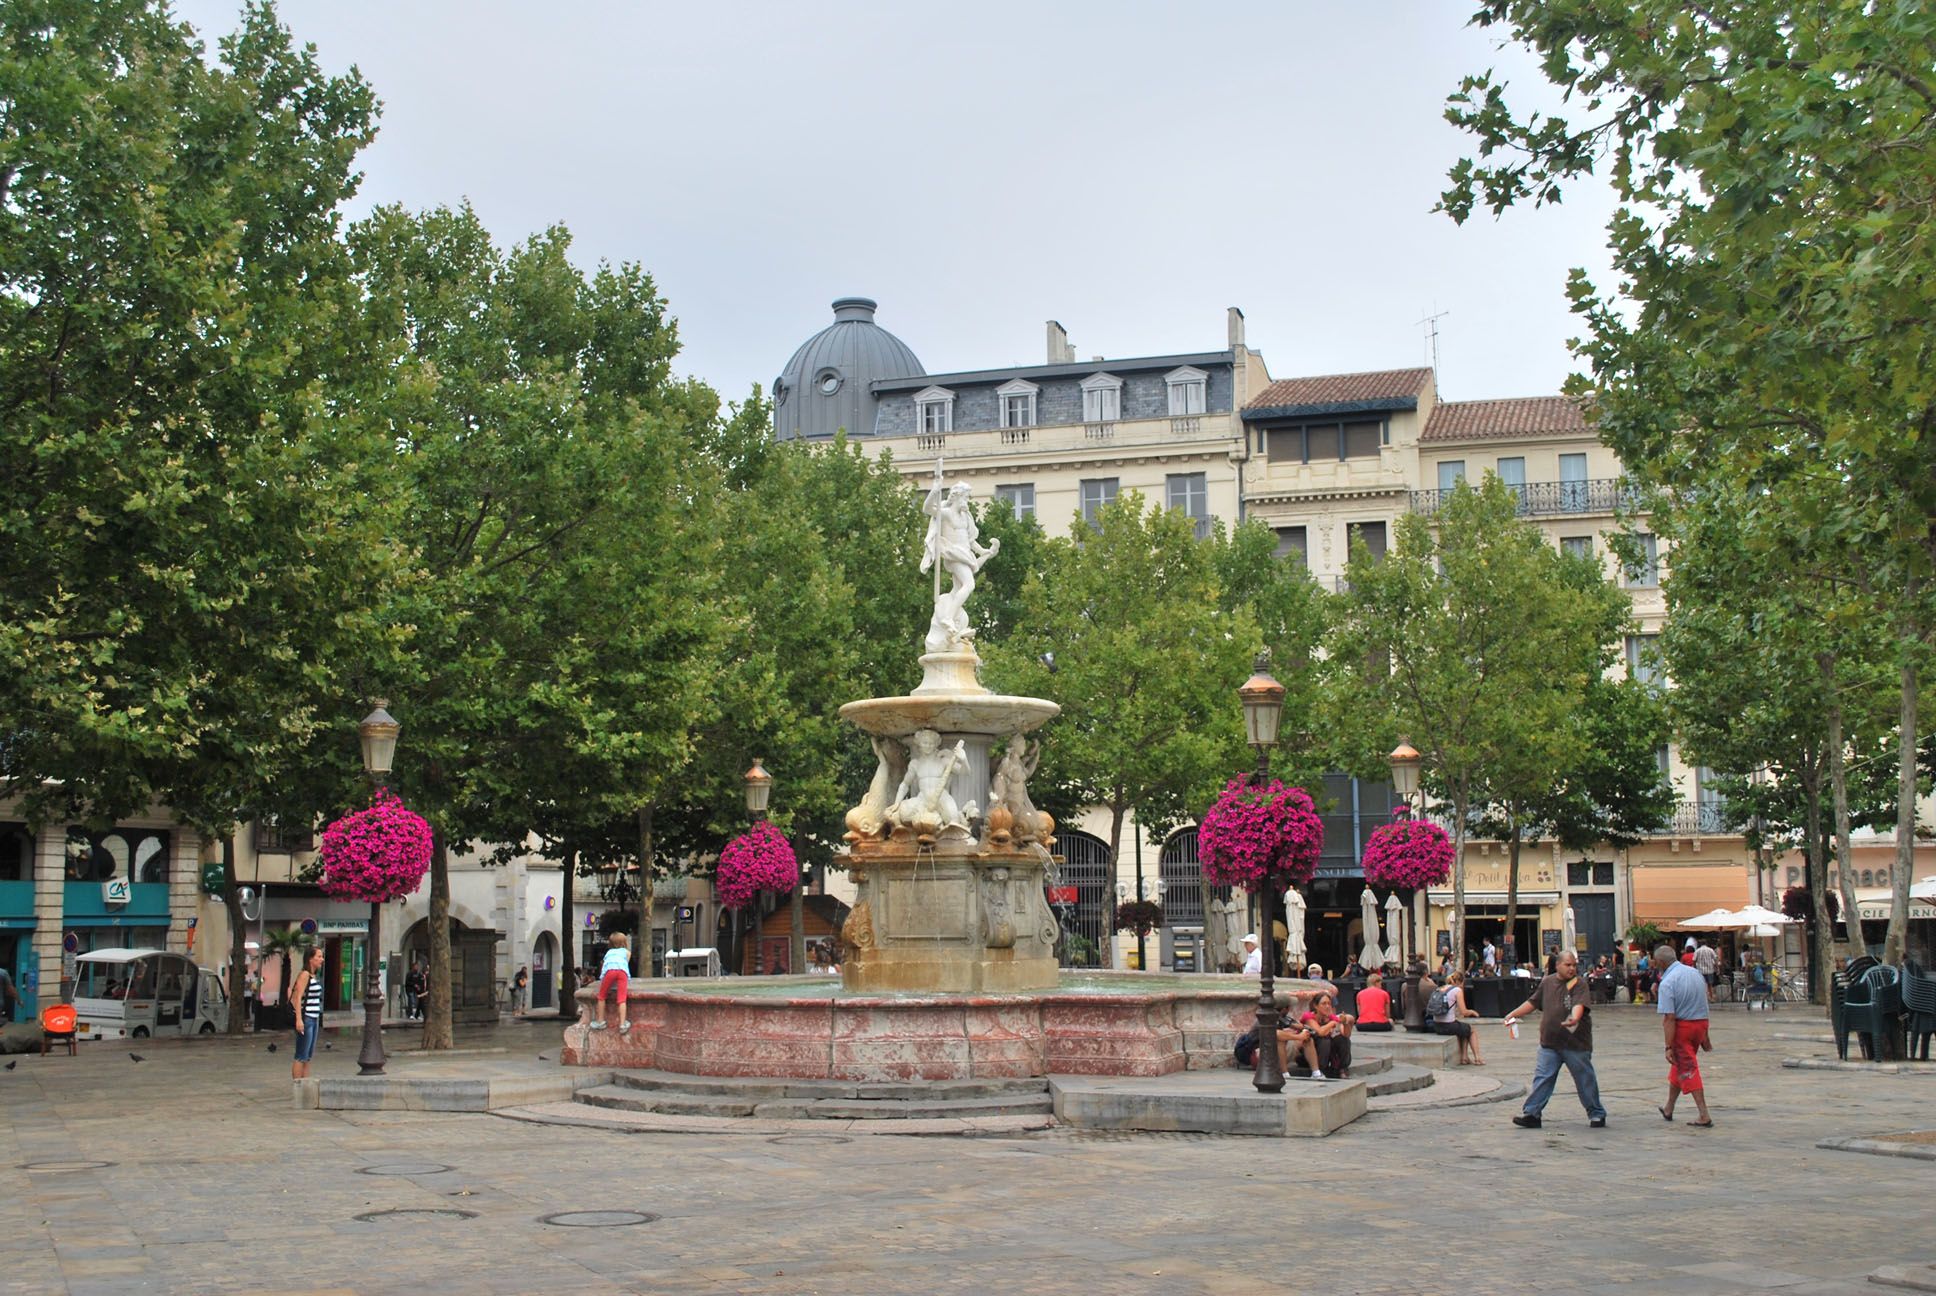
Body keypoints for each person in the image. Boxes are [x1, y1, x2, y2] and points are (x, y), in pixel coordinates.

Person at [1504, 950, 1606, 1129]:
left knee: (1584, 1079)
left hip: (1575, 1043)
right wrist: (1512, 1014)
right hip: (1549, 1042)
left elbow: (1579, 1005)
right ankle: (1532, 1113)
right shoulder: (1548, 982)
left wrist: (1575, 1017)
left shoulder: (1579, 984)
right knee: (1543, 1078)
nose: (1572, 968)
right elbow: (1533, 1003)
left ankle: (1596, 1113)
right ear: (1557, 965)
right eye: (1568, 965)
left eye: (1574, 965)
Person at [1653, 942, 1714, 1126]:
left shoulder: (1668, 982)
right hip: (1700, 1024)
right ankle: (1669, 1107)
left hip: (1683, 1028)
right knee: (1679, 1066)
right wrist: (1705, 1035)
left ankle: (1704, 1114)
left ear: (1661, 963)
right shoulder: (1695, 973)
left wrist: (1668, 1046)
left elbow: (1669, 1018)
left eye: (1656, 963)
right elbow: (1704, 1003)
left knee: (1688, 1068)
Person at [1431, 970, 1484, 1066]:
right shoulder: (1457, 991)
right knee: (1471, 1029)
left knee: (1463, 1028)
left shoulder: (1441, 988)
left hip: (1436, 1024)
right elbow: (1464, 1012)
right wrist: (1472, 1012)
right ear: (1461, 982)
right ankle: (1477, 1058)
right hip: (1448, 1026)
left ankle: (1464, 1057)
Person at [1301, 992, 1355, 1079]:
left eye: (1329, 1004)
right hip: (1309, 1054)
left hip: (1327, 1053)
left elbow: (1346, 1035)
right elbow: (1320, 1032)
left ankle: (1342, 1069)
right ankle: (1321, 1070)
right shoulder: (1309, 1016)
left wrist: (1345, 1023)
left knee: (1343, 1040)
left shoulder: (1331, 1017)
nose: (1327, 1006)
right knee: (1324, 1041)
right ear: (1316, 1006)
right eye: (1324, 1004)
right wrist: (1332, 1023)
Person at [291, 945, 325, 1081]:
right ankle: (298, 1084)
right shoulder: (304, 975)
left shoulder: (313, 976)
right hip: (307, 1018)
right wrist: (299, 1019)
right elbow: (298, 997)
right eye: (319, 956)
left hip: (314, 1017)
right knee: (301, 1054)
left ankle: (305, 1083)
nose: (321, 959)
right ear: (311, 959)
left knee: (308, 1055)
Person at [592, 933, 632, 1034]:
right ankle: (622, 1025)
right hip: (622, 972)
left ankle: (600, 1021)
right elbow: (624, 964)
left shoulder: (609, 953)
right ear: (624, 942)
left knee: (601, 996)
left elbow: (605, 966)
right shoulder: (627, 952)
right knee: (622, 999)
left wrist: (603, 979)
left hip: (610, 971)